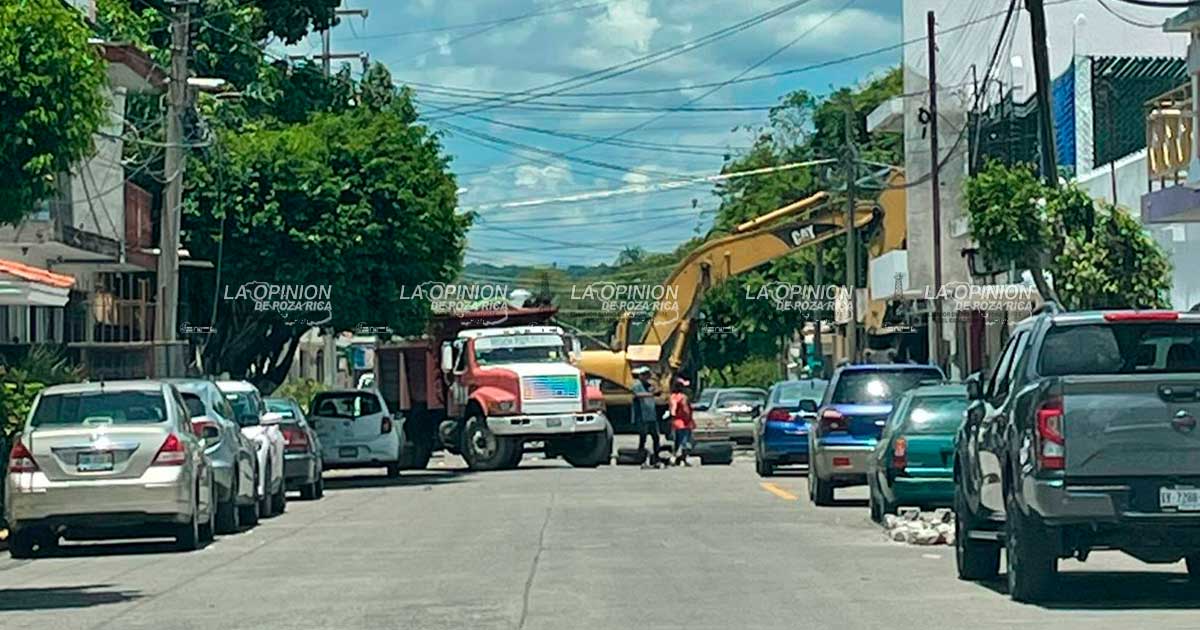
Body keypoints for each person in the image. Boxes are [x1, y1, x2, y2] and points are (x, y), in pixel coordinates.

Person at [631, 366, 662, 468]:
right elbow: (637, 395)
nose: (647, 376)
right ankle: (641, 459)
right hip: (642, 416)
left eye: (648, 374)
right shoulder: (637, 385)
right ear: (640, 375)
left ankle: (656, 458)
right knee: (643, 438)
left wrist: (656, 386)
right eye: (645, 374)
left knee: (656, 438)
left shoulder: (648, 385)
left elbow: (658, 390)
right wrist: (650, 394)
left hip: (651, 416)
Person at [669, 377, 695, 466]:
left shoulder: (672, 397)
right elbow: (685, 410)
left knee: (677, 441)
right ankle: (683, 460)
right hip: (684, 422)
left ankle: (673, 458)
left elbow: (672, 410)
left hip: (676, 422)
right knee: (685, 442)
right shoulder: (683, 397)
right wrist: (689, 419)